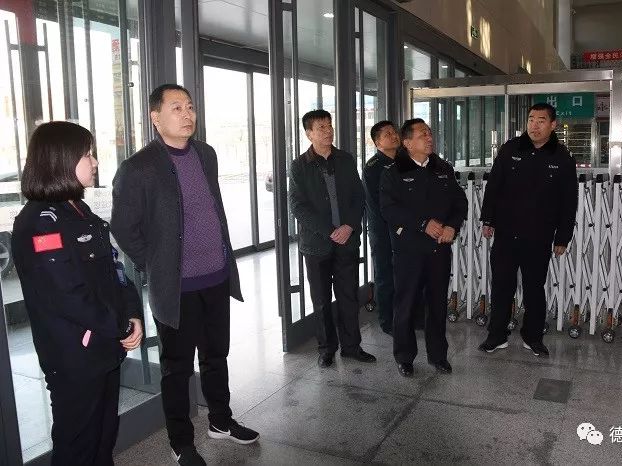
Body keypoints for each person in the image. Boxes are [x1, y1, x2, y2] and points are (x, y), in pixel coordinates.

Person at [111, 84, 259, 466]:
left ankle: (221, 421)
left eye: (190, 106)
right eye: (176, 107)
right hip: (176, 288)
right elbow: (123, 228)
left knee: (216, 355)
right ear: (155, 117)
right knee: (177, 369)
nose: (187, 114)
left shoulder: (205, 154)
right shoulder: (137, 167)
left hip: (215, 276)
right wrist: (156, 264)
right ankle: (180, 442)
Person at [11, 121, 144, 466]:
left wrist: (132, 314)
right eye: (87, 154)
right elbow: (67, 294)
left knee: (103, 437)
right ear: (60, 159)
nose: (95, 162)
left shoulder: (80, 212)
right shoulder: (39, 222)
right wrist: (120, 326)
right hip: (75, 357)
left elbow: (116, 271)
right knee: (77, 446)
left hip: (104, 347)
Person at [478, 102, 577, 357]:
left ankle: (533, 337)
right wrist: (488, 220)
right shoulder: (511, 149)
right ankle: (496, 335)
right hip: (506, 233)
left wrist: (563, 236)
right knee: (502, 286)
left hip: (539, 236)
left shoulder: (562, 157)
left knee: (534, 288)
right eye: (531, 119)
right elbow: (494, 186)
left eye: (541, 120)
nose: (534, 125)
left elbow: (569, 202)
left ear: (552, 125)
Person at [380, 118, 468, 377]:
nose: (429, 138)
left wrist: (452, 226)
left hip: (439, 250)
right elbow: (389, 209)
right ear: (407, 143)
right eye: (422, 135)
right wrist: (422, 224)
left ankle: (438, 355)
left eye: (429, 133)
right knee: (405, 305)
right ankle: (404, 357)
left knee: (438, 304)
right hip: (409, 251)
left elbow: (459, 202)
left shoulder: (442, 168)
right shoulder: (393, 172)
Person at [289, 109, 376, 368]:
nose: (328, 131)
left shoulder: (345, 159)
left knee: (348, 296)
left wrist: (349, 226)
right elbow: (298, 206)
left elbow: (358, 196)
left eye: (329, 126)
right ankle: (326, 349)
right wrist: (329, 231)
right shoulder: (299, 166)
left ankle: (352, 347)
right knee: (321, 300)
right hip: (317, 245)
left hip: (347, 241)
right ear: (309, 134)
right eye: (321, 127)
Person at [362, 121, 400, 335]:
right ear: (377, 142)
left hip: (405, 229)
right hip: (383, 230)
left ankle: (408, 316)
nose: (394, 135)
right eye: (387, 134)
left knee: (405, 274)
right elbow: (379, 204)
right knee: (385, 275)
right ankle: (387, 321)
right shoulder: (374, 167)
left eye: (394, 132)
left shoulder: (404, 160)